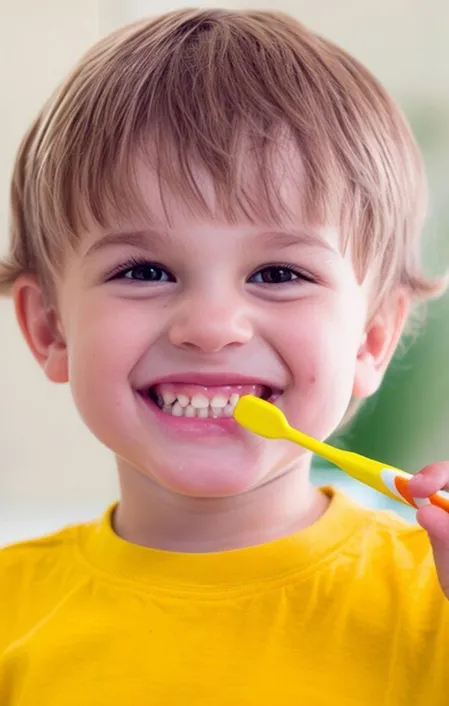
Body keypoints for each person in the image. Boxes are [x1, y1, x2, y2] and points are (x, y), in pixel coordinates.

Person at [0, 8, 448, 705]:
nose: (210, 328)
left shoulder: (433, 604)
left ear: (370, 339)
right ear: (51, 329)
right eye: (144, 271)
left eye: (277, 274)